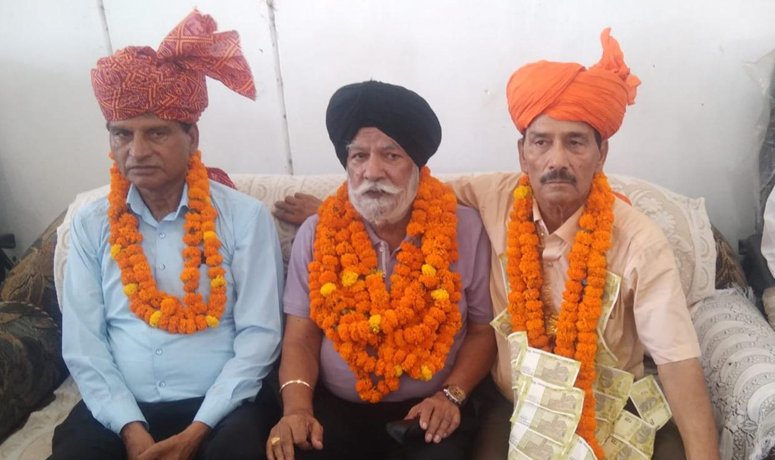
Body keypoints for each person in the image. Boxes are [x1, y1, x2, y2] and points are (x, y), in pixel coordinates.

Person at [273, 30, 720, 460]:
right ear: (522, 153)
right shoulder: (495, 197)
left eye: (576, 143)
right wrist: (341, 208)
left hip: (603, 407)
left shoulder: (640, 241)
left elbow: (678, 363)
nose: (557, 161)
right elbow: (401, 184)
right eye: (542, 142)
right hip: (517, 406)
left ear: (601, 155)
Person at [52, 11, 283, 460]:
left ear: (191, 136)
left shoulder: (244, 217)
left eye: (155, 132)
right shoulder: (90, 221)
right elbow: (84, 344)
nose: (136, 152)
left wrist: (198, 429)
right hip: (120, 409)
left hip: (222, 408)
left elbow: (260, 336)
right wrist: (130, 429)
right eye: (122, 135)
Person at [267, 81, 496, 460]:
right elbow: (300, 338)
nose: (372, 171)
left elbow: (482, 331)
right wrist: (296, 410)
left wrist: (449, 395)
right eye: (358, 156)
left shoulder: (465, 229)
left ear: (418, 168)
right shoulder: (317, 232)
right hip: (334, 411)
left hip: (430, 411)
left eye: (391, 156)